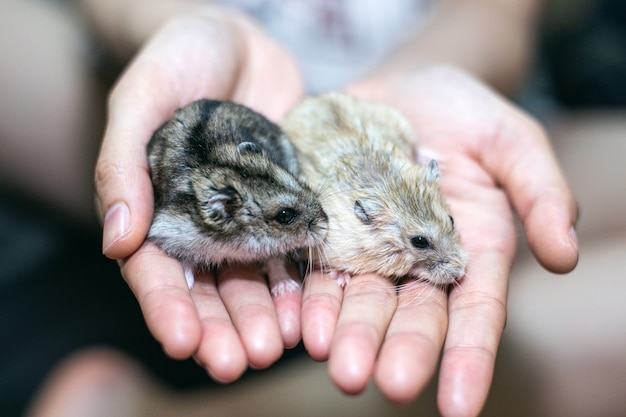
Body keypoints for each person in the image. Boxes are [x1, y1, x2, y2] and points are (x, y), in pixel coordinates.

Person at [2, 1, 580, 417]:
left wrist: (420, 74)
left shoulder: (367, 184)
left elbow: (499, 13)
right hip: (137, 65)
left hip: (374, 103)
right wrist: (169, 23)